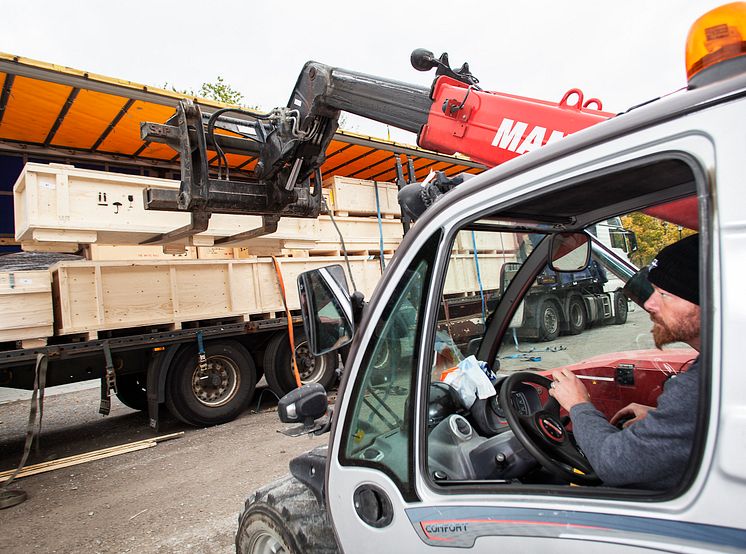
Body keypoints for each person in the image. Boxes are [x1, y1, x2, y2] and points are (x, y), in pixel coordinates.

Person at [549, 234, 700, 490]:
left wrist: (578, 405)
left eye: (664, 294)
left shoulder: (699, 386)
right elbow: (700, 425)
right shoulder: (720, 368)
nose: (649, 304)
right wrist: (660, 419)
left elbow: (614, 464)